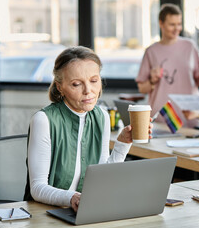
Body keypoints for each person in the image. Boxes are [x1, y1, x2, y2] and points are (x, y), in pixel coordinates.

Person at [24, 46, 151, 212]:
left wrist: (123, 143)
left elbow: (103, 178)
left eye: (93, 81)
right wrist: (72, 197)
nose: (88, 91)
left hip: (85, 210)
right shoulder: (43, 120)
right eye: (76, 84)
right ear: (60, 87)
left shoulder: (102, 116)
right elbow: (37, 188)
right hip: (45, 213)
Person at [135, 3, 199, 128]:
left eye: (179, 24)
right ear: (161, 23)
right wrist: (152, 80)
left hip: (190, 116)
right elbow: (142, 88)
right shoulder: (151, 51)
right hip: (163, 117)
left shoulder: (190, 46)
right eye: (172, 24)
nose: (177, 28)